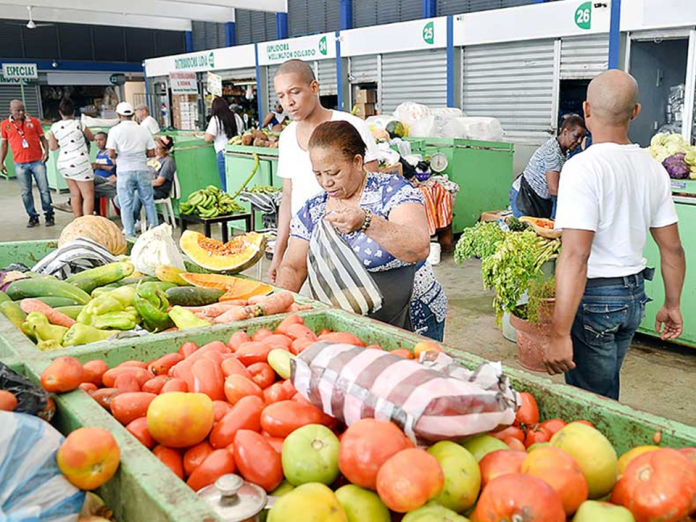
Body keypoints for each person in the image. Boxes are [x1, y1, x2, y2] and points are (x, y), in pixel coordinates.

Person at [545, 70, 686, 400]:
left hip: (596, 298)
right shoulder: (653, 168)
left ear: (587, 110)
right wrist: (672, 304)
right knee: (604, 382)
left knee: (593, 400)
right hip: (634, 297)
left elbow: (576, 255)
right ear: (635, 112)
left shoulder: (583, 167)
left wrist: (559, 332)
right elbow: (672, 249)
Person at [276, 121, 448, 340]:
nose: (326, 182)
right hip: (351, 323)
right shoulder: (314, 209)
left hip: (412, 318)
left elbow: (419, 246)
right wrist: (279, 308)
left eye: (333, 172)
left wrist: (367, 222)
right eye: (318, 174)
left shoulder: (391, 190)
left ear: (357, 162)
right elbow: (293, 267)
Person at [268, 59, 380, 284]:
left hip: (349, 244)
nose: (288, 102)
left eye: (294, 92)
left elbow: (373, 189)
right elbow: (288, 197)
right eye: (281, 96)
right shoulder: (287, 137)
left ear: (314, 88)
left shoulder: (351, 126)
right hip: (304, 243)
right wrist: (280, 252)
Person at [508, 115, 586, 219]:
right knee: (525, 231)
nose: (579, 141)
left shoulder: (564, 152)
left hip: (538, 199)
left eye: (582, 138)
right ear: (565, 132)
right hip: (524, 196)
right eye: (576, 136)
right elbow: (554, 189)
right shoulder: (552, 152)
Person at [0, 100, 54, 227]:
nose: (21, 112)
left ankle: (49, 214)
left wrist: (46, 152)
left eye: (22, 109)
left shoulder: (34, 121)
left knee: (44, 189)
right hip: (20, 164)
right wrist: (1, 162)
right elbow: (4, 145)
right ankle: (32, 216)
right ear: (10, 111)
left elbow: (43, 139)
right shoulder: (4, 125)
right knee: (25, 192)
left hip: (37, 162)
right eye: (17, 110)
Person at [106, 102, 157, 237]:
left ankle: (129, 234)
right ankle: (156, 231)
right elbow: (152, 153)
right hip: (142, 169)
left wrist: (120, 155)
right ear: (133, 114)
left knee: (126, 204)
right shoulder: (143, 129)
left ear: (118, 115)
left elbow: (111, 153)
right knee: (148, 201)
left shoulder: (114, 131)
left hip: (124, 171)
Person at [48, 98, 96, 218]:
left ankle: (77, 221)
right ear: (73, 111)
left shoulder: (54, 127)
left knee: (75, 194)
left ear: (60, 112)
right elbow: (91, 138)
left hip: (64, 163)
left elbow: (52, 147)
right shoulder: (79, 124)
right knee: (88, 195)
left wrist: (64, 143)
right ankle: (87, 222)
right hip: (80, 162)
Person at [132, 135, 176, 222]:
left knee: (138, 193)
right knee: (121, 196)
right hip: (144, 186)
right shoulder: (150, 159)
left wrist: (142, 183)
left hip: (158, 190)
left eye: (159, 148)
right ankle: (138, 219)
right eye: (155, 145)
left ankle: (132, 221)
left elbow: (159, 182)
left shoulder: (168, 161)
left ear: (166, 150)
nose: (156, 148)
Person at [204, 97, 243, 192]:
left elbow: (207, 138)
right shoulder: (236, 117)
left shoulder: (216, 119)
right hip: (238, 151)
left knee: (225, 184)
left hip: (223, 152)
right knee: (238, 180)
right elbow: (241, 131)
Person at [92, 131, 117, 205]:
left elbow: (116, 168)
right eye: (96, 140)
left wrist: (101, 166)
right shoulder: (98, 153)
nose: (98, 142)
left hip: (107, 178)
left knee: (89, 180)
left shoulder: (110, 153)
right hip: (98, 178)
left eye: (100, 140)